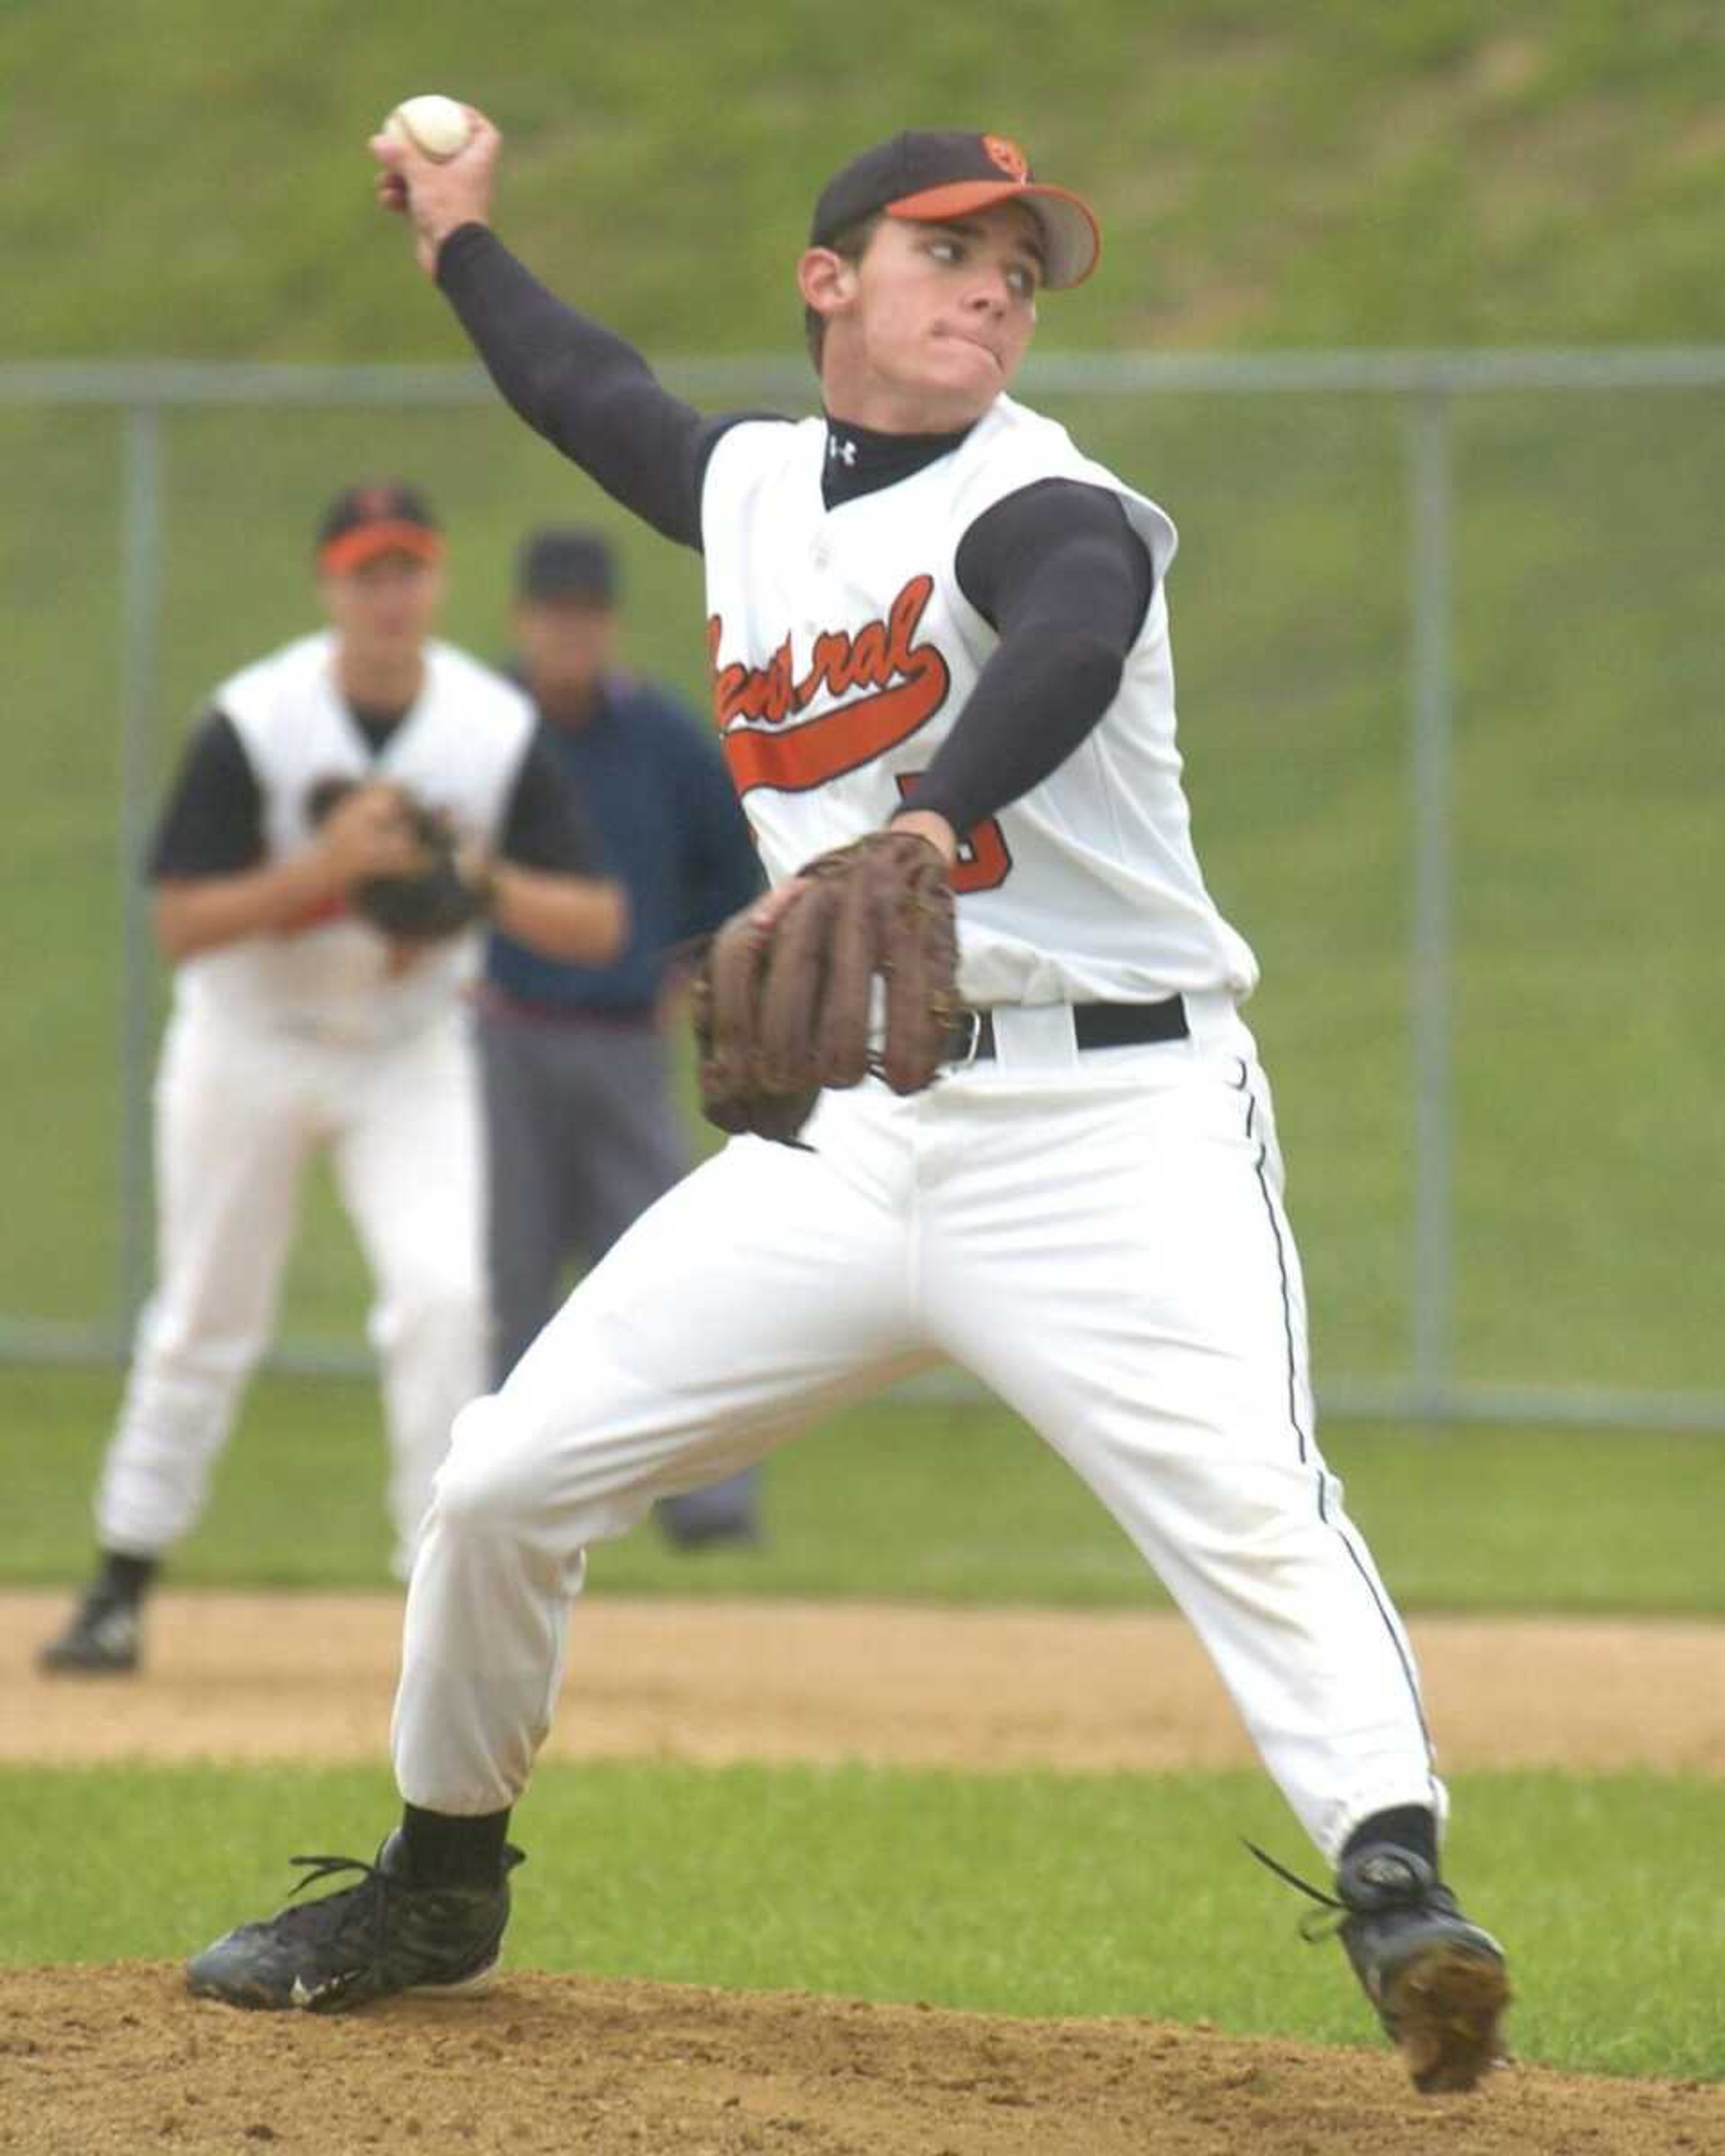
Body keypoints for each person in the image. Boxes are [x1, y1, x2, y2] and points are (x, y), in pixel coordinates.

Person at [183, 124, 1511, 2094]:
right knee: (498, 1482)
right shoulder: (749, 490)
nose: (994, 285)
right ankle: (441, 1876)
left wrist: (924, 814)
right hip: (855, 1136)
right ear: (831, 281)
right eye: (946, 248)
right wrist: (461, 238)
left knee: (1249, 1496)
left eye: (1021, 266)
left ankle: (1399, 1892)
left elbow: (1063, 631)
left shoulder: (1045, 500)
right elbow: (583, 390)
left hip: (1114, 1129)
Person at [39, 482, 628, 1676]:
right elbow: (182, 924)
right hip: (247, 1041)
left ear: (437, 582)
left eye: (407, 569)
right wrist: (326, 874)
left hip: (409, 1052)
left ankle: (439, 1600)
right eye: (366, 572)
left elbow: (598, 924)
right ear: (329, 588)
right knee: (209, 1314)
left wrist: (474, 880)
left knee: (445, 1301)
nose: (388, 596)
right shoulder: (257, 721)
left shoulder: (488, 726)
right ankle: (120, 1582)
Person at [481, 526, 764, 1546]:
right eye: (553, 614)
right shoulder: (481, 727)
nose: (570, 632)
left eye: (585, 615)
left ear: (608, 624)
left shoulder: (663, 739)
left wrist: (692, 969)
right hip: (498, 1040)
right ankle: (499, 1502)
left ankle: (712, 1508)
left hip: (622, 1041)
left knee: (666, 1273)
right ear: (523, 622)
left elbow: (734, 871)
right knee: (501, 1284)